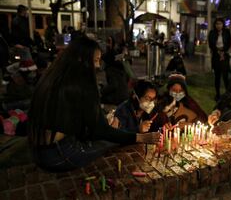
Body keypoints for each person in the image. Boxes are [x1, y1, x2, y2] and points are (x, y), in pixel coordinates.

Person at [28, 37, 160, 172]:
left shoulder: (55, 77)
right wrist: (139, 136)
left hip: (38, 153)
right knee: (112, 142)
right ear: (81, 59)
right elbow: (100, 131)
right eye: (96, 60)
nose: (98, 66)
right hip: (59, 154)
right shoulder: (82, 84)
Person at [100, 36, 130, 105]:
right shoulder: (119, 68)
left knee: (100, 98)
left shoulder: (110, 69)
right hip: (125, 96)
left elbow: (113, 85)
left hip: (117, 98)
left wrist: (101, 91)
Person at [208, 18, 231, 101]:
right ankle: (217, 94)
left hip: (224, 55)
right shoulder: (212, 33)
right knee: (217, 76)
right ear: (215, 25)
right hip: (216, 56)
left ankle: (228, 95)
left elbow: (229, 43)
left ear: (223, 25)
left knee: (225, 76)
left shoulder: (226, 32)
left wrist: (223, 51)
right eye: (217, 24)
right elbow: (211, 44)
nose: (218, 25)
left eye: (220, 24)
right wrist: (218, 51)